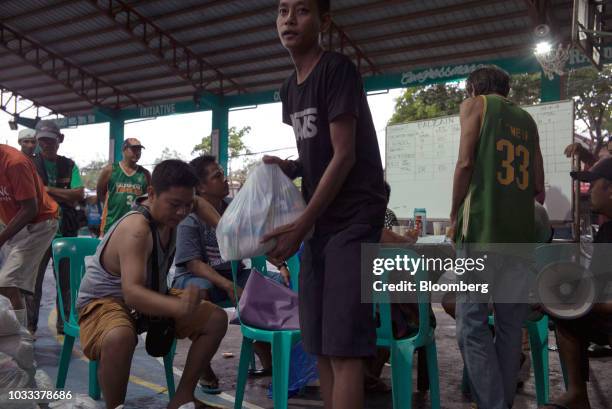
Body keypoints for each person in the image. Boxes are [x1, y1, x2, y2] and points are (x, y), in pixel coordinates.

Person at [262, 1, 387, 407]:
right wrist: (290, 166)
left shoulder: (336, 70)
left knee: (344, 346)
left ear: (324, 20)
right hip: (320, 221)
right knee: (319, 341)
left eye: (301, 10)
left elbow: (345, 155)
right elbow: (316, 154)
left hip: (353, 216)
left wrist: (298, 228)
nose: (289, 20)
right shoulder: (288, 87)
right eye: (283, 11)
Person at [76, 159, 227, 409]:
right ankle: (115, 406)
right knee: (119, 336)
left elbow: (198, 203)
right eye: (175, 205)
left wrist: (231, 233)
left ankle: (183, 397)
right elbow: (132, 293)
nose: (182, 212)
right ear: (152, 194)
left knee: (215, 319)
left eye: (187, 205)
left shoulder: (181, 207)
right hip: (105, 303)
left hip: (150, 295)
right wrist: (177, 308)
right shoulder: (137, 229)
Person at [449, 66, 545, 409]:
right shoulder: (528, 121)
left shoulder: (475, 105)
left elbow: (464, 164)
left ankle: (493, 404)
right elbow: (538, 187)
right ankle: (500, 401)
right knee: (509, 327)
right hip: (518, 238)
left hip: (481, 231)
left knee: (470, 327)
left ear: (473, 88)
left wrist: (452, 214)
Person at [172, 155, 289, 393]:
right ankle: (201, 364)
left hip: (231, 274)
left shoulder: (234, 208)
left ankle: (264, 348)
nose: (225, 179)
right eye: (217, 176)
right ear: (201, 187)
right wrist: (227, 286)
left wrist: (281, 263)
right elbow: (193, 263)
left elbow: (251, 241)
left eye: (222, 173)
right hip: (195, 277)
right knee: (201, 289)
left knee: (277, 285)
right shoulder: (189, 218)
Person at [542, 157, 612, 409]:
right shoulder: (606, 232)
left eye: (593, 184)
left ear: (610, 189)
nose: (587, 190)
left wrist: (595, 305)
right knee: (567, 317)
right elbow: (596, 281)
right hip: (605, 310)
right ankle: (577, 394)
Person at [26, 119, 85, 335]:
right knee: (33, 283)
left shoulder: (69, 165)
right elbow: (30, 195)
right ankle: (30, 327)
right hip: (38, 233)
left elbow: (78, 194)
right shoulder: (28, 164)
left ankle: (65, 324)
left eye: (50, 141)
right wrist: (64, 194)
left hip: (65, 232)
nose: (46, 145)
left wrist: (47, 189)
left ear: (60, 140)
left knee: (67, 284)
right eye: (42, 141)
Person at [0, 144, 58, 327]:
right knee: (10, 286)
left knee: (7, 283)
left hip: (39, 224)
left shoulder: (15, 163)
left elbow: (30, 209)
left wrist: (1, 239)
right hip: (14, 224)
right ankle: (19, 333)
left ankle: (19, 338)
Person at [97, 138, 151, 235]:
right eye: (134, 149)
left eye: (139, 150)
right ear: (124, 150)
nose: (137, 152)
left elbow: (149, 199)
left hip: (135, 226)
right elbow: (100, 193)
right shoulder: (110, 170)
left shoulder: (145, 174)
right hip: (111, 224)